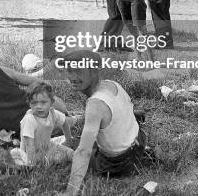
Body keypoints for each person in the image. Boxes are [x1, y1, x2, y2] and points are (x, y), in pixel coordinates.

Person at [62, 51, 149, 195]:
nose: (71, 76)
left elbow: (84, 152)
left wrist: (69, 192)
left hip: (119, 163)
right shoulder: (112, 84)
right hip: (139, 142)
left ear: (95, 71)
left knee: (75, 155)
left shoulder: (95, 104)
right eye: (69, 70)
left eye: (78, 70)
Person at [15, 83, 74, 166]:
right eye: (34, 103)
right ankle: (22, 159)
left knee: (71, 153)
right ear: (29, 104)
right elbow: (29, 145)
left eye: (43, 102)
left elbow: (64, 123)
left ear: (51, 102)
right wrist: (32, 164)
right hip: (32, 153)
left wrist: (68, 141)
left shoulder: (53, 113)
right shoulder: (29, 119)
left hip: (46, 146)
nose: (39, 106)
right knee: (58, 159)